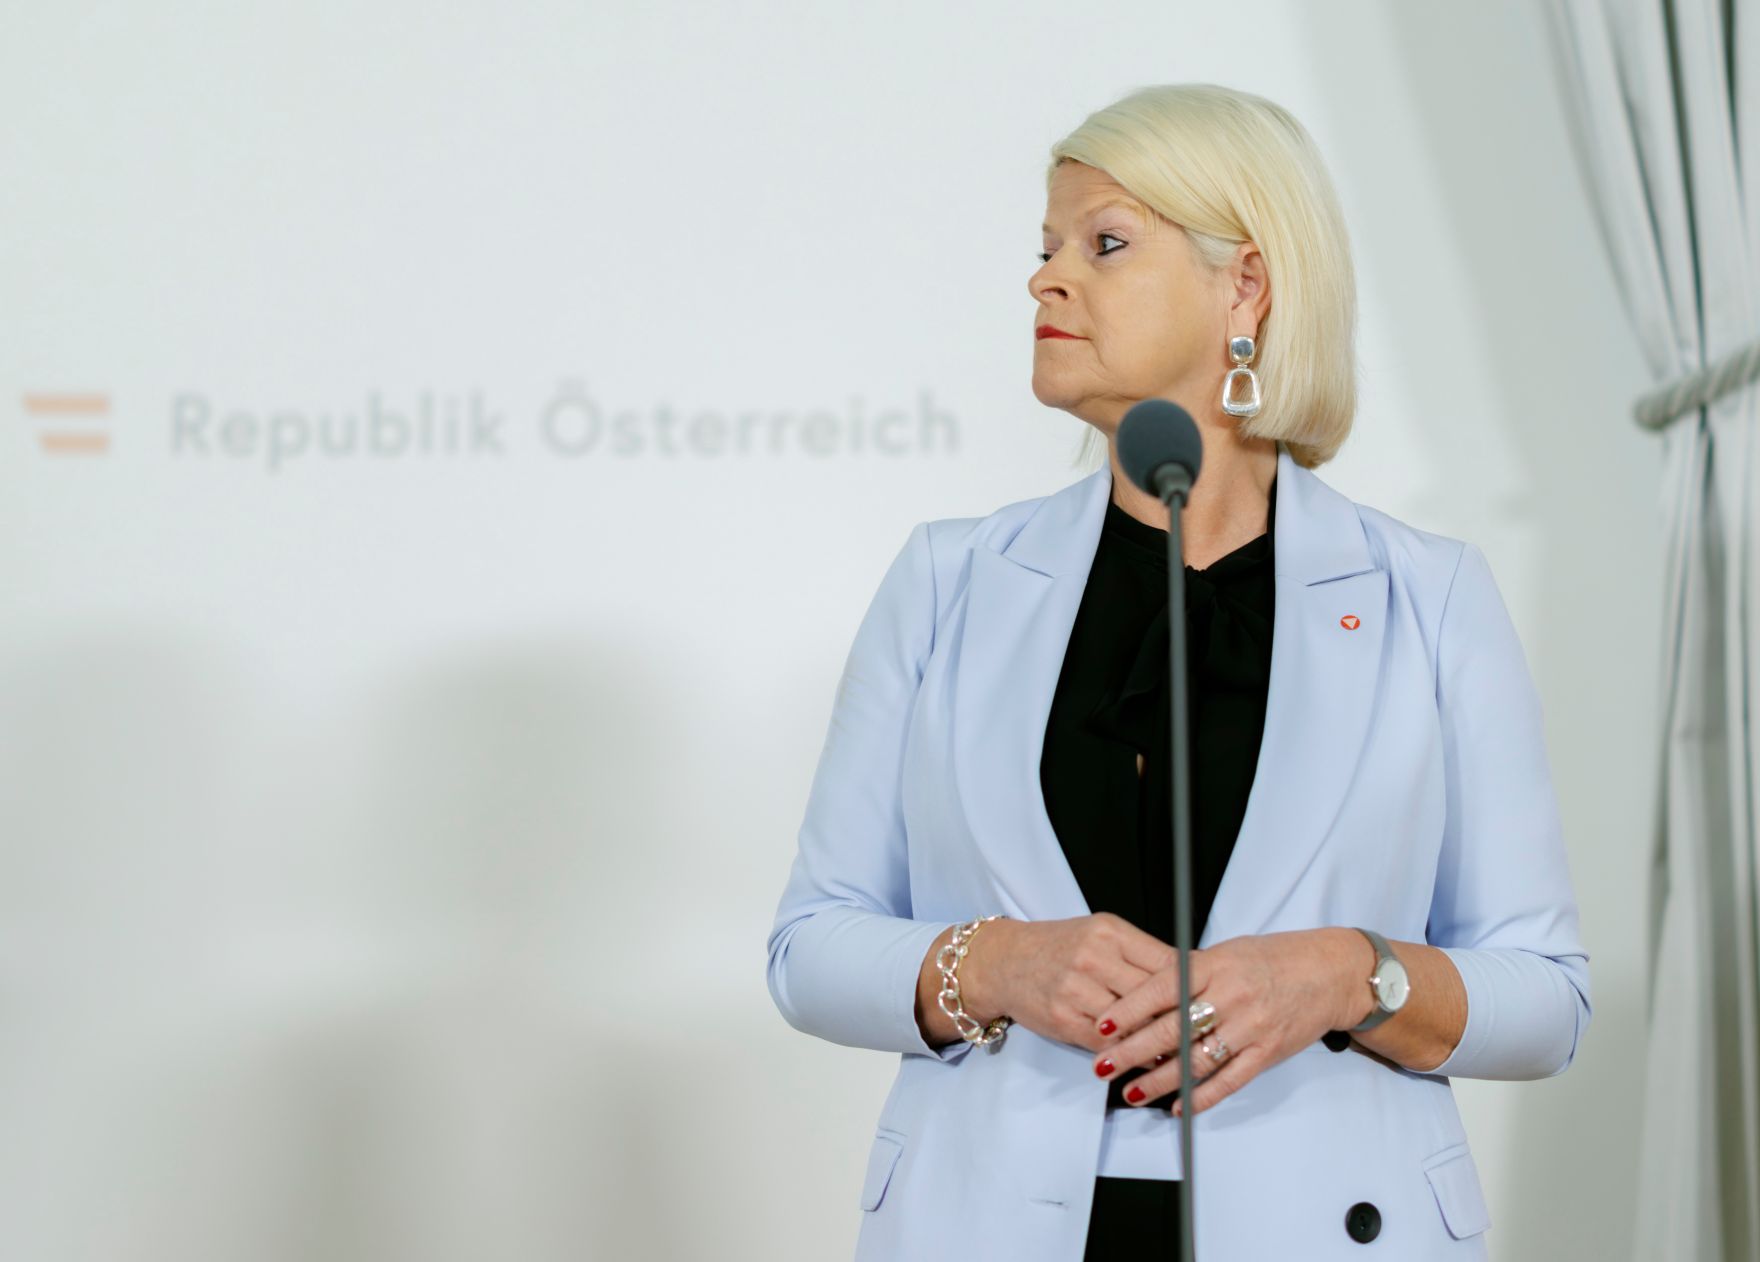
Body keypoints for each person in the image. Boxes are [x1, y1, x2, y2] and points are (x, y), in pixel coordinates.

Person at [764, 82, 1591, 1262]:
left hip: (1327, 1227)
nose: (1045, 280)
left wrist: (1342, 972)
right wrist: (992, 960)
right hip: (986, 1222)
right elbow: (810, 946)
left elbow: (1546, 997)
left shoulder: (1427, 595)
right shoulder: (949, 579)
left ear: (1242, 286)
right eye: (1044, 249)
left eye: (1102, 243)